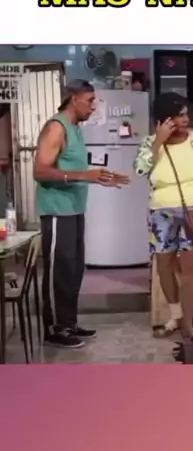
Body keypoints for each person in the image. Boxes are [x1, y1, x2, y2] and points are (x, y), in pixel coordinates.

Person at [34, 80, 130, 349]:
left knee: (74, 270)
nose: (93, 106)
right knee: (59, 271)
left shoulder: (76, 128)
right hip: (56, 211)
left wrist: (100, 177)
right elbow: (40, 171)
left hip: (75, 210)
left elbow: (75, 170)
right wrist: (83, 175)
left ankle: (68, 322)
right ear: (73, 99)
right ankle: (54, 329)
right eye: (89, 100)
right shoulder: (56, 127)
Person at [134, 92, 193, 343]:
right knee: (164, 265)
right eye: (179, 116)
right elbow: (140, 169)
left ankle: (188, 324)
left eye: (185, 114)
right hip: (161, 213)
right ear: (165, 120)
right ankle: (175, 315)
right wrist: (158, 142)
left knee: (190, 268)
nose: (186, 120)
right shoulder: (149, 143)